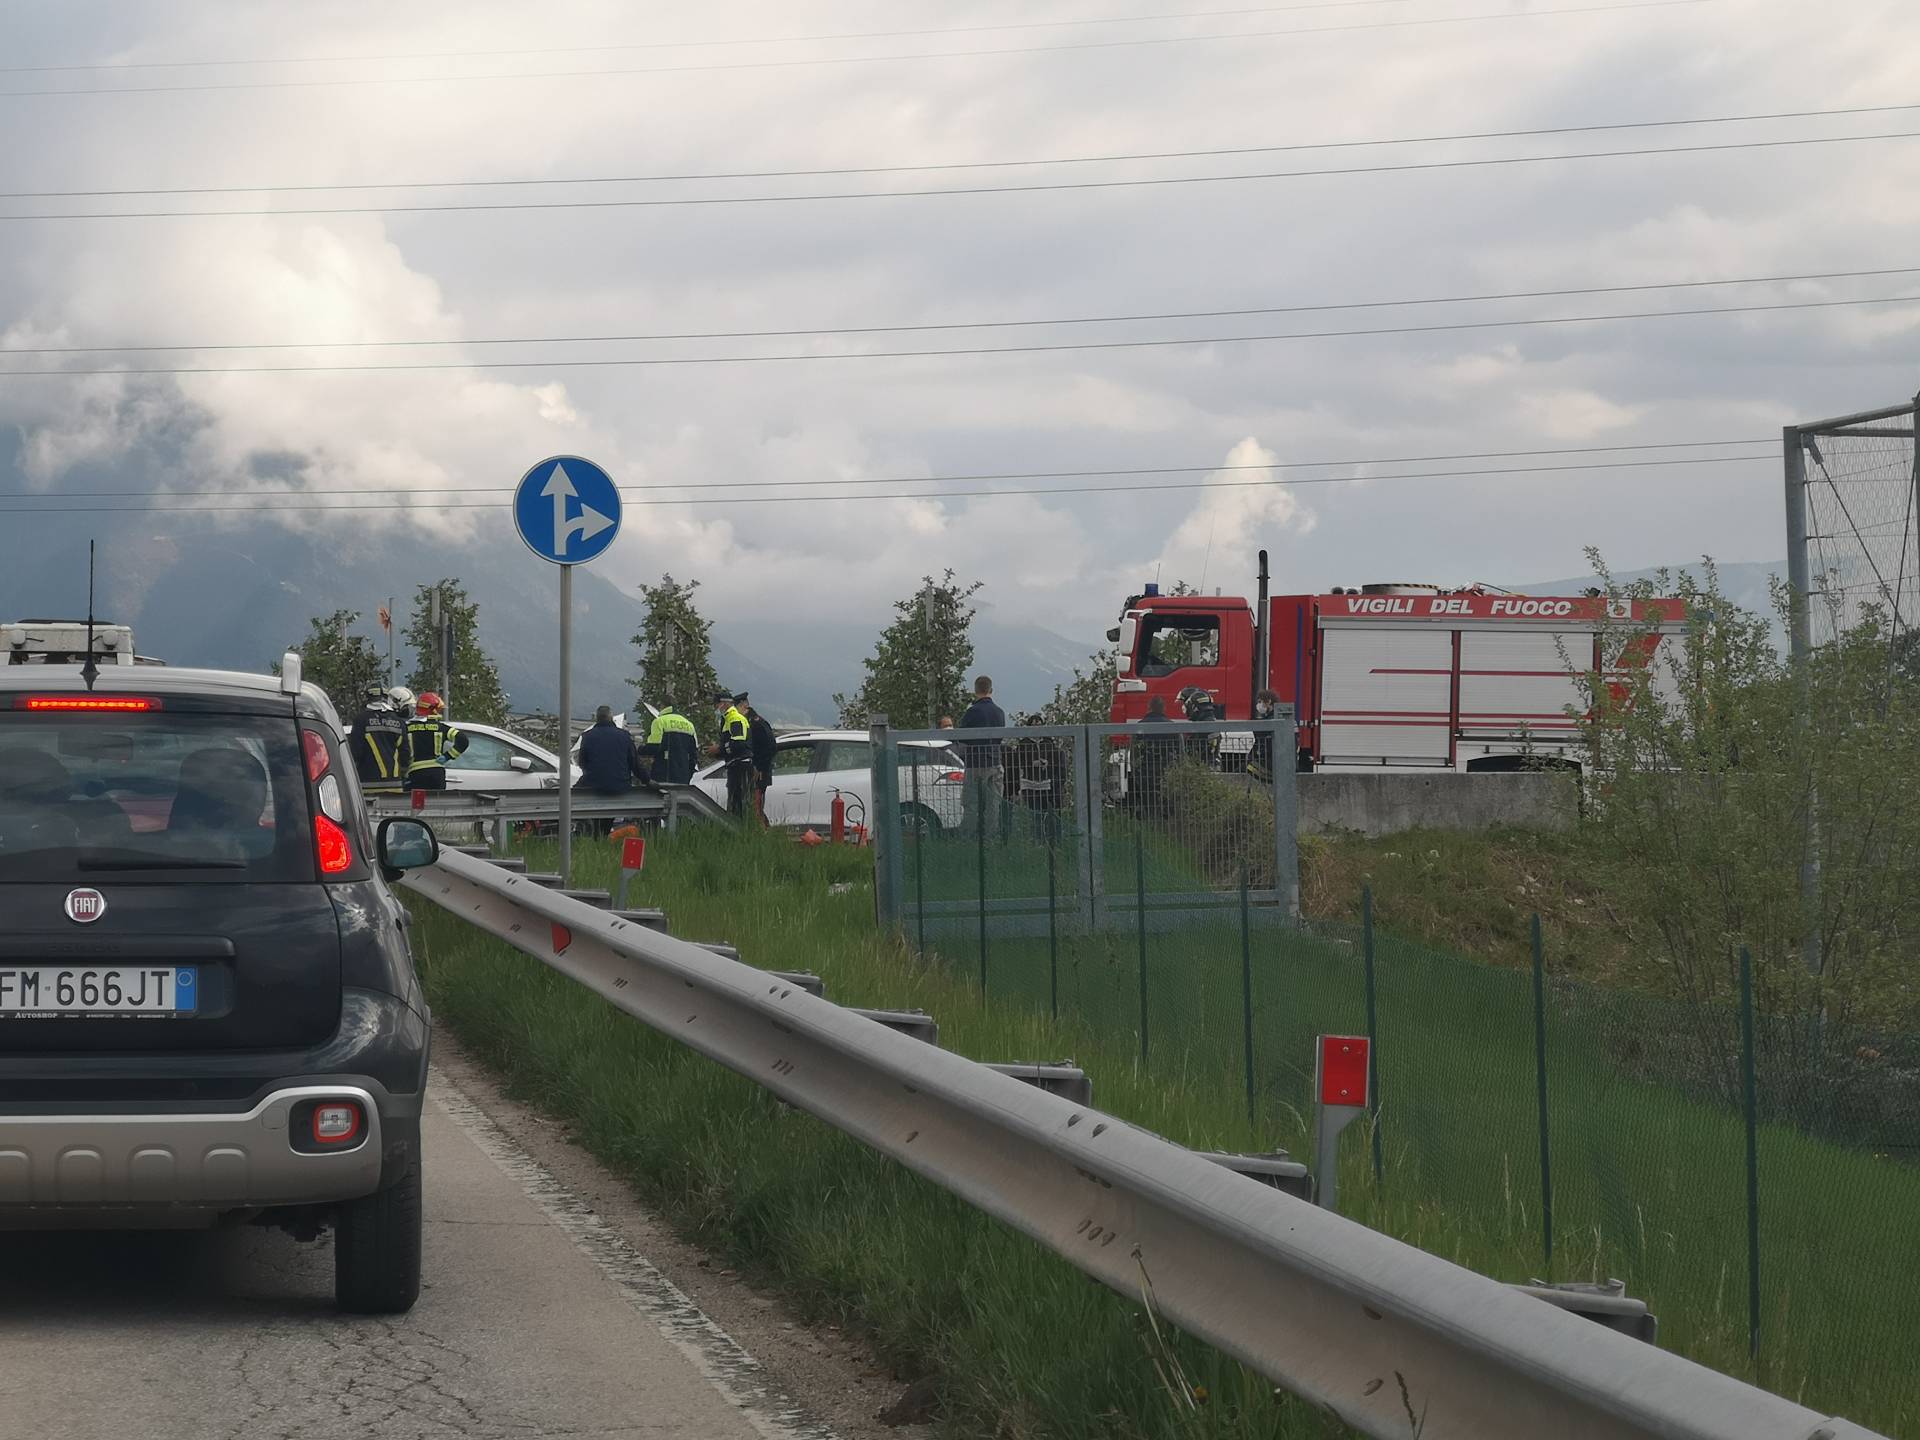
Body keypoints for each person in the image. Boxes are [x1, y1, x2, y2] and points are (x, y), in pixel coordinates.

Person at [957, 675, 1006, 836]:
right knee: (993, 805)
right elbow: (1000, 737)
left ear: (976, 691)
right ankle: (990, 838)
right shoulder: (999, 712)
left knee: (972, 803)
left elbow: (961, 736)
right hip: (995, 762)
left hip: (975, 763)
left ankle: (970, 837)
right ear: (991, 690)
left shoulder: (972, 712)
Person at [403, 691, 468, 792]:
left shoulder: (407, 728)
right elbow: (463, 740)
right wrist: (448, 756)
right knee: (437, 804)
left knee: (417, 805)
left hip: (415, 773)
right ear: (431, 710)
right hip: (436, 774)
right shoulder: (440, 728)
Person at [349, 685, 407, 794]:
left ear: (367, 698)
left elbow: (356, 751)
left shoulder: (360, 720)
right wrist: (403, 773)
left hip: (367, 783)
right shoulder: (398, 721)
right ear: (385, 697)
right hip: (394, 784)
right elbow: (405, 752)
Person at [577, 705, 645, 796]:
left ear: (597, 718)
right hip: (621, 786)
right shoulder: (624, 736)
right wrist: (647, 780)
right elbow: (635, 764)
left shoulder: (587, 736)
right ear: (611, 718)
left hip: (593, 785)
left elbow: (582, 762)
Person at [708, 690, 753, 817]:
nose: (716, 708)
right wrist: (717, 753)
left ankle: (741, 831)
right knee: (734, 802)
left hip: (740, 765)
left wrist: (719, 749)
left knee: (738, 804)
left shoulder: (735, 718)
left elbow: (738, 744)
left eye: (717, 704)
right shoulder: (727, 719)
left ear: (724, 704)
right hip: (735, 765)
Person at [1132, 694, 1179, 812]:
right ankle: (1166, 820)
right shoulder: (1172, 726)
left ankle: (1148, 822)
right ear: (1163, 708)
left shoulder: (1140, 726)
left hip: (1146, 768)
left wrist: (1135, 768)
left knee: (1147, 798)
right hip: (1166, 768)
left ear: (1149, 707)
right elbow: (1179, 751)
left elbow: (1134, 751)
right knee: (1166, 798)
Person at [644, 701, 701, 785]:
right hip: (683, 777)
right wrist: (689, 774)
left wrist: (639, 750)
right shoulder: (689, 724)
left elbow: (654, 747)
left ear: (662, 706)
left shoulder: (659, 721)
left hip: (663, 774)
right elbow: (694, 754)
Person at [742, 695, 777, 824]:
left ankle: (762, 833)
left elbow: (771, 747)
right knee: (753, 808)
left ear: (743, 706)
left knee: (756, 808)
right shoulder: (749, 722)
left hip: (759, 773)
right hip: (754, 771)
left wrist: (759, 767)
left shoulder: (757, 723)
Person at [1250, 688, 1282, 782]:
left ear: (1268, 702)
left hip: (1272, 763)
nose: (1258, 705)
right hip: (1279, 761)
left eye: (1260, 702)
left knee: (1245, 768)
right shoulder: (1279, 717)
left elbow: (1261, 739)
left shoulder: (1271, 720)